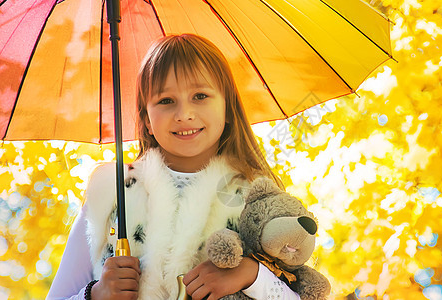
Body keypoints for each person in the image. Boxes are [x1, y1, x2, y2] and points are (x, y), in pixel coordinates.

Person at [47, 34, 303, 300]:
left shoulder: (257, 201)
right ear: (146, 119)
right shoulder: (111, 196)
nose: (184, 114)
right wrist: (96, 294)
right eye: (166, 101)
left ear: (227, 108)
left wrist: (252, 276)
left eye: (200, 96)